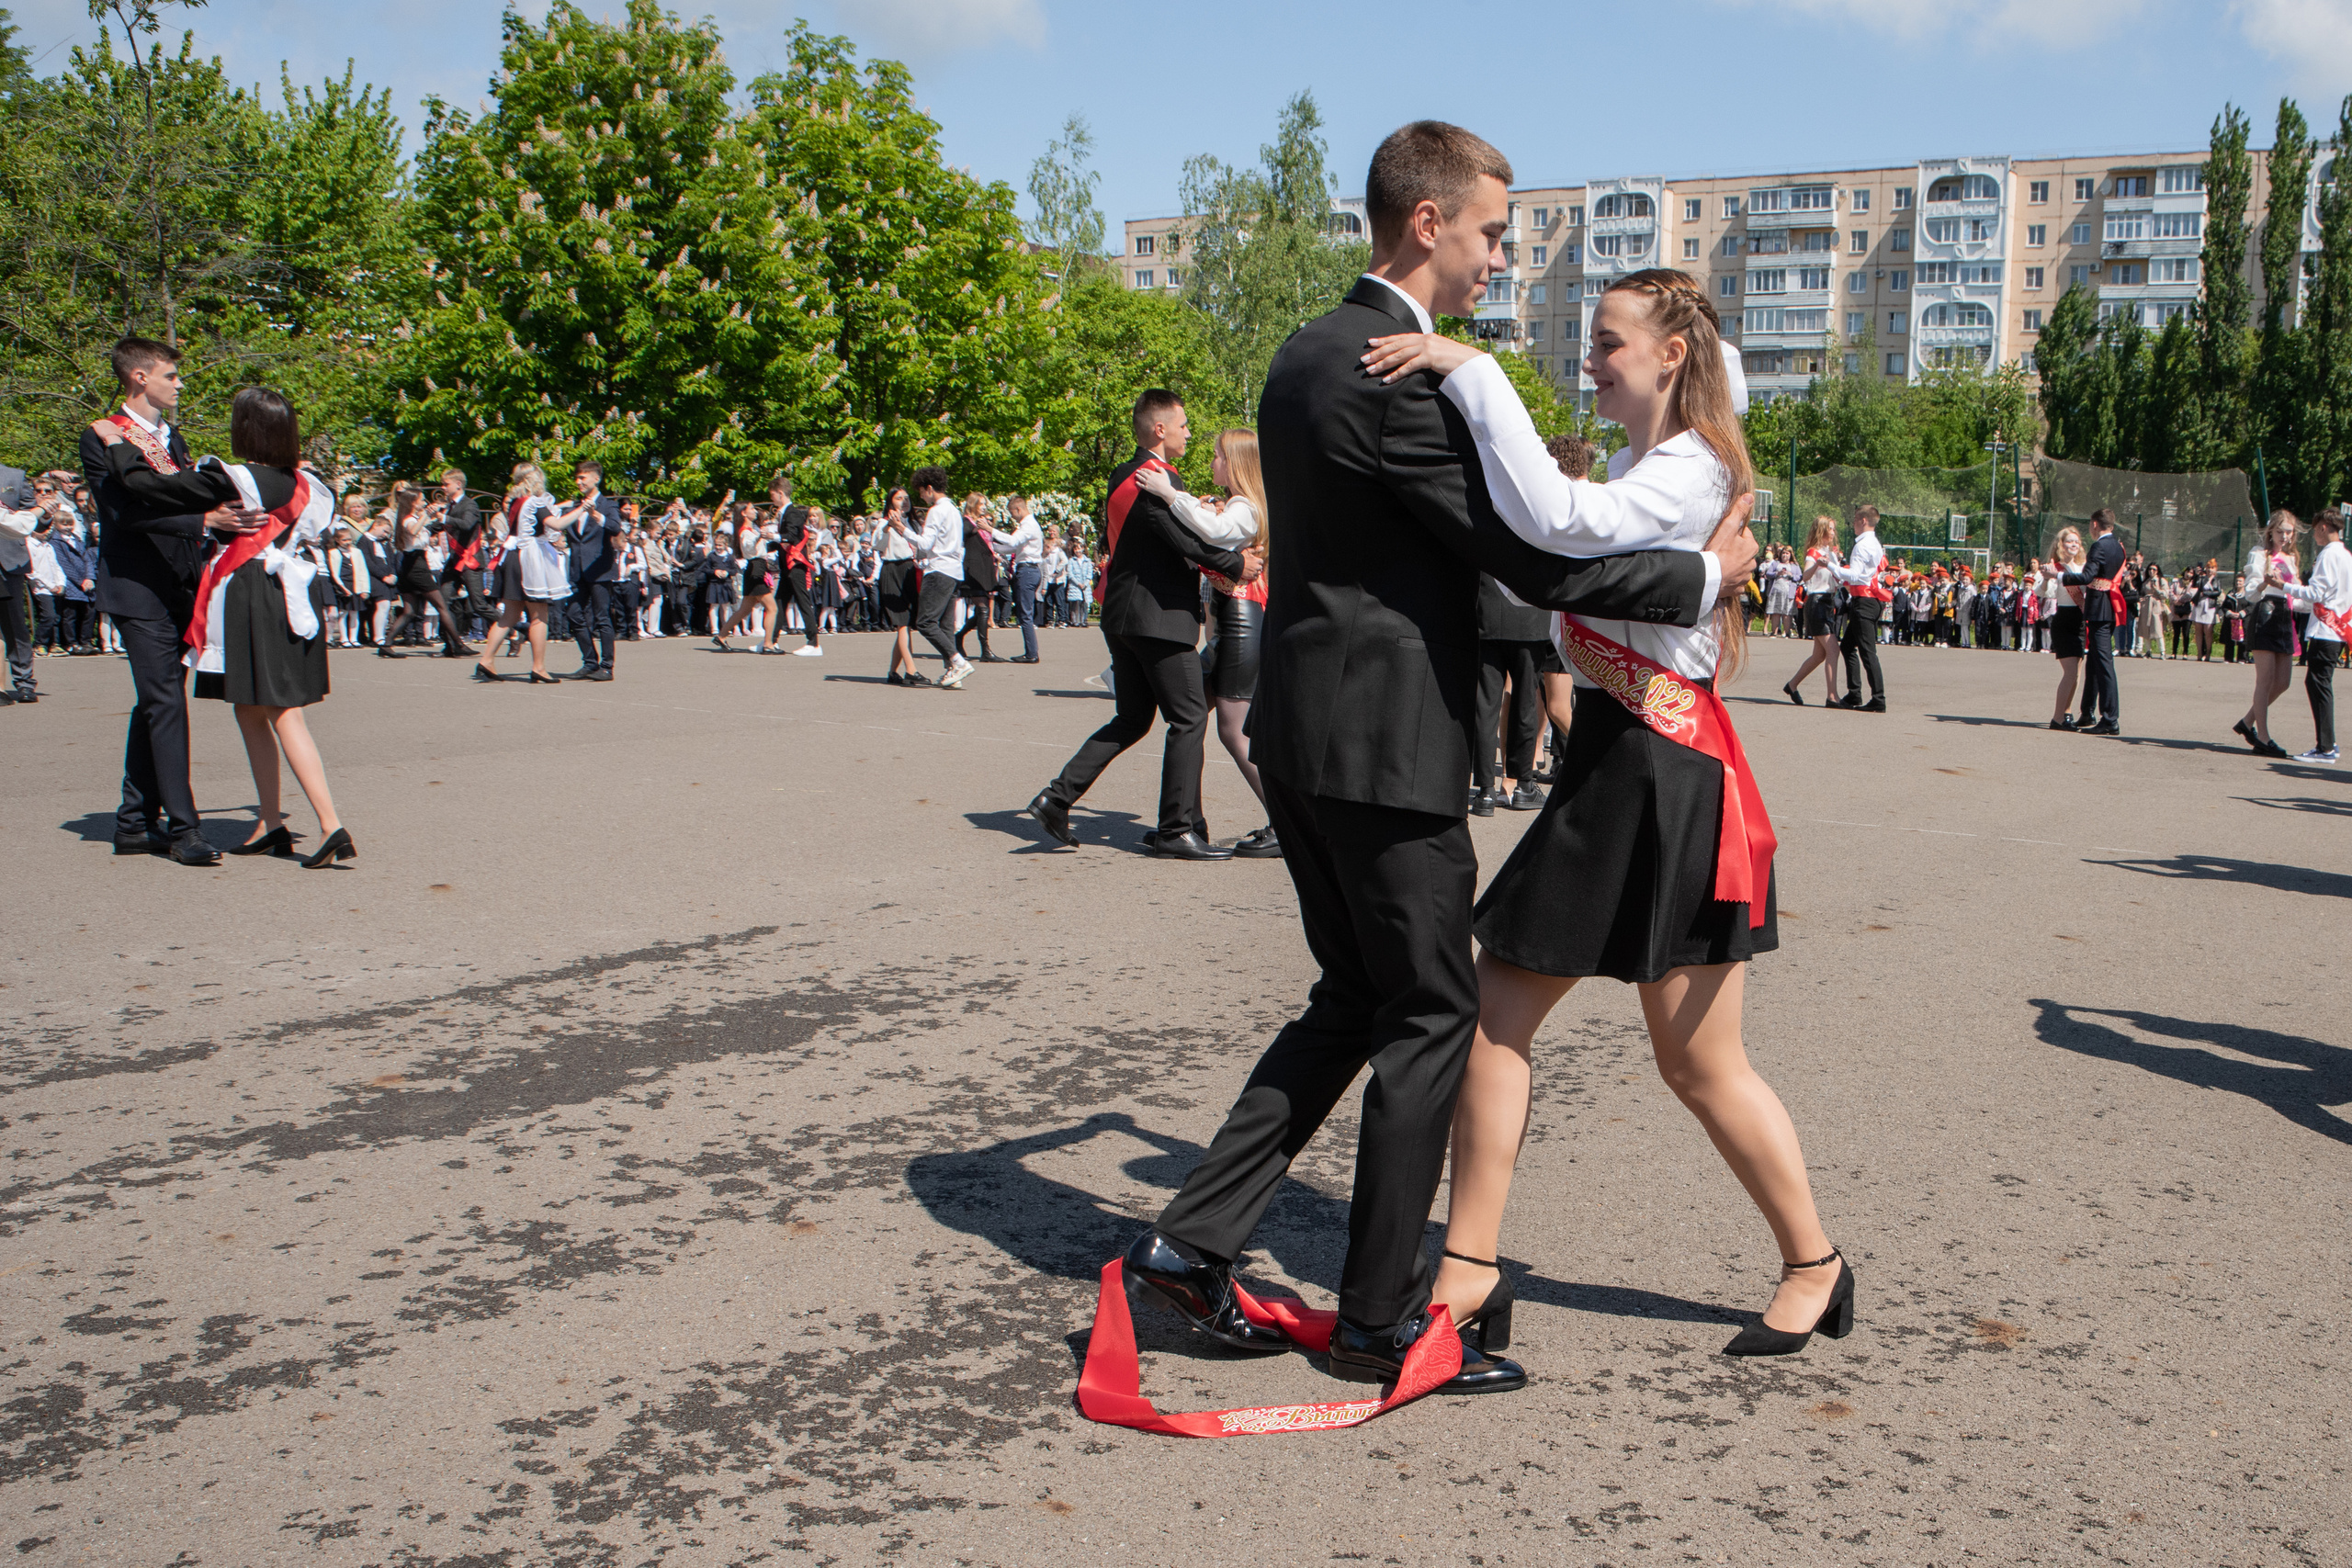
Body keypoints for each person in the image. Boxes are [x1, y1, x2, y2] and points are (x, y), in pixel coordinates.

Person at [1115, 124, 1748, 1396]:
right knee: (1429, 1011)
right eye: (1491, 230)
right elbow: (1530, 555)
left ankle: (1188, 1254)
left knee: (1355, 993)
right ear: (1426, 225)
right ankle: (1380, 1318)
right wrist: (1703, 573)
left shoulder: (1305, 352)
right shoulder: (1399, 373)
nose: (1499, 255)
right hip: (1380, 744)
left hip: (1303, 730)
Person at [1363, 265, 1840, 1362]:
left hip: (1668, 779)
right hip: (1616, 772)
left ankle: (1813, 1261)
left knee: (1697, 1064)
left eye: (1610, 338)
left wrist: (1473, 370)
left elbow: (1561, 529)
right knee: (1494, 1018)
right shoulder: (1654, 465)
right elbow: (1545, 574)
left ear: (1671, 355)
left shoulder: (1686, 470)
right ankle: (1470, 1268)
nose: (1593, 356)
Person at [91, 386, 355, 867]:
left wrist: (116, 445)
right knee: (250, 709)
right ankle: (270, 822)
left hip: (250, 591)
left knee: (280, 712)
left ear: (246, 429)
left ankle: (329, 824)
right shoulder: (311, 484)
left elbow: (147, 487)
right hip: (290, 589)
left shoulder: (227, 477)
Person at [1027, 391, 1259, 859]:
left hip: (1124, 614)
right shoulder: (1155, 476)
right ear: (1159, 429)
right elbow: (1182, 542)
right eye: (1183, 424)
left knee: (1133, 718)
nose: (1189, 433)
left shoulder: (1122, 474)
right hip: (1158, 616)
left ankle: (1057, 797)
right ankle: (1177, 830)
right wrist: (1236, 564)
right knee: (1190, 717)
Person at [82, 337, 256, 863]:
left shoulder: (171, 438)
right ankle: (185, 830)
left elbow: (186, 492)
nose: (179, 384)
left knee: (155, 704)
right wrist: (202, 519)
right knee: (165, 703)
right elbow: (124, 516)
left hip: (181, 582)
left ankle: (134, 821)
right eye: (171, 375)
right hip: (137, 587)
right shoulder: (103, 436)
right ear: (139, 377)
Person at [1136, 426, 1284, 855]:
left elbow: (1217, 534)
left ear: (1236, 462)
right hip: (1230, 620)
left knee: (1234, 731)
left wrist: (1170, 494)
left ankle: (1285, 823)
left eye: (1219, 456)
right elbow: (1212, 535)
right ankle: (1182, 824)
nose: (1213, 462)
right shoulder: (1241, 505)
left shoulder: (1246, 505)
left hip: (1241, 621)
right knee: (1190, 717)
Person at [472, 463, 566, 684]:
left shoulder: (515, 501)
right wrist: (581, 508)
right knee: (539, 615)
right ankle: (539, 667)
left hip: (512, 556)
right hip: (528, 559)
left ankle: (486, 660)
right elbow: (556, 523)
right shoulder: (535, 502)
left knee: (510, 615)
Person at [2278, 508, 2346, 764]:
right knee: (2318, 683)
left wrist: (2283, 586)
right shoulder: (2346, 555)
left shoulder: (2328, 555)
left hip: (2326, 629)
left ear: (2323, 527)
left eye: (2315, 528)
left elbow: (2316, 592)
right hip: (2337, 627)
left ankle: (2325, 747)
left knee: (2319, 684)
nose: (2313, 535)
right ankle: (2327, 743)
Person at [2235, 511, 2302, 759]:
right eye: (2280, 531)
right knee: (2264, 680)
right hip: (2264, 612)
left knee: (2283, 682)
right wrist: (2265, 582)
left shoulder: (2291, 558)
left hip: (2285, 615)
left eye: (2289, 532)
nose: (2285, 536)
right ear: (2270, 531)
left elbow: (2297, 595)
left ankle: (2247, 721)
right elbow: (2250, 594)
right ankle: (2262, 737)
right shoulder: (2259, 554)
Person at [558, 460, 625, 680]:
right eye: (577, 478)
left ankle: (607, 667)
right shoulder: (574, 505)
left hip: (600, 570)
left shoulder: (608, 505)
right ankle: (589, 662)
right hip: (577, 570)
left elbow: (615, 527)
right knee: (574, 614)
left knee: (602, 618)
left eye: (582, 477)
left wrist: (596, 514)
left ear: (596, 478)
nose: (578, 481)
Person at [2062, 507, 2125, 736]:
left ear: (2095, 524)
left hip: (2100, 608)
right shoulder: (2118, 546)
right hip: (2107, 606)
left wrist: (2059, 576)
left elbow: (2088, 577)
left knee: (2104, 663)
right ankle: (2088, 711)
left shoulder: (2100, 545)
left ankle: (2110, 718)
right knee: (2095, 661)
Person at [909, 468, 972, 687]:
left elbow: (925, 545)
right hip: (954, 571)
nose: (921, 497)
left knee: (925, 622)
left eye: (921, 492)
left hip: (938, 569)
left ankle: (958, 662)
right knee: (946, 625)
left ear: (929, 488)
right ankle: (953, 672)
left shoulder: (936, 511)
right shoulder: (955, 511)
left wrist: (902, 529)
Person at [1781, 515, 1843, 705]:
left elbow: (1837, 578)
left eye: (1833, 529)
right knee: (1833, 650)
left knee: (1819, 654)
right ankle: (1832, 696)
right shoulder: (1814, 553)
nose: (1833, 533)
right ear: (1822, 530)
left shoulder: (1831, 553)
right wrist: (1817, 563)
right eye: (1830, 529)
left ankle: (1792, 685)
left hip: (1828, 601)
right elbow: (1805, 576)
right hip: (1817, 603)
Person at [1831, 506, 1887, 710]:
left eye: (1855, 519)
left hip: (1864, 602)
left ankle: (1878, 699)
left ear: (1863, 520)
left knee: (1867, 652)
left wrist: (1830, 566)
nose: (1853, 523)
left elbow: (1854, 575)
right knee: (1848, 647)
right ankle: (1855, 693)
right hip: (1866, 600)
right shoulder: (1874, 543)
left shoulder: (1862, 546)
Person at [768, 475, 823, 657]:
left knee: (802, 601)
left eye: (772, 494)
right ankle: (771, 640)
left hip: (797, 564)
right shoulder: (784, 513)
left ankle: (814, 643)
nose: (771, 498)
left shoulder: (794, 513)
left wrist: (773, 537)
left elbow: (791, 536)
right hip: (787, 565)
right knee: (779, 602)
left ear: (780, 493)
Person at [988, 494, 1046, 663]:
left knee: (1025, 614)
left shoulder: (1028, 525)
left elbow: (1013, 540)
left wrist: (991, 530)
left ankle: (1031, 654)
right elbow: (1012, 546)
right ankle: (1031, 652)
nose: (1011, 516)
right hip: (1029, 570)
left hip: (1027, 570)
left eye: (1012, 512)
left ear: (1018, 509)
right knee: (1024, 613)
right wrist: (993, 547)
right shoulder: (1028, 525)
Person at [2038, 529, 2086, 730]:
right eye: (2069, 541)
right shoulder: (2054, 566)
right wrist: (2048, 577)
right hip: (2064, 619)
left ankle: (2066, 712)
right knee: (2070, 672)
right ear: (2061, 544)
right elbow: (2043, 591)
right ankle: (2057, 718)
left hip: (2081, 620)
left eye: (2076, 541)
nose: (2073, 545)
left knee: (2077, 674)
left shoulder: (2084, 566)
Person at [955, 493, 1004, 663]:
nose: (984, 507)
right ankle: (985, 650)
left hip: (985, 568)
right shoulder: (967, 521)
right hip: (973, 569)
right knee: (983, 609)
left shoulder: (983, 521)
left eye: (985, 504)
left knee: (980, 611)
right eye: (981, 504)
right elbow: (965, 533)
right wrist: (978, 525)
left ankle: (959, 636)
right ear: (973, 505)